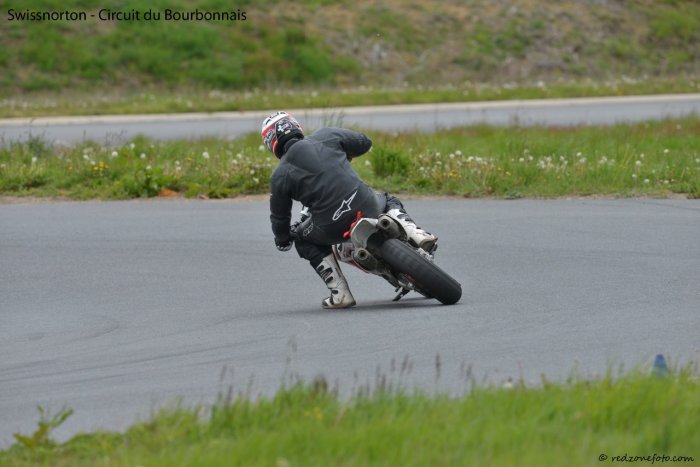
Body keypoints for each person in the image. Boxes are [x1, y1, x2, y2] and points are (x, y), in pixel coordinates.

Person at [262, 111, 437, 309]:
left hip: (331, 226)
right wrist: (345, 153)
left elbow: (279, 218)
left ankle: (340, 293)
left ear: (271, 142)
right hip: (366, 203)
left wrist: (283, 240)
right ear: (295, 126)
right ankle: (417, 234)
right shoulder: (325, 135)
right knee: (388, 200)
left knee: (302, 239)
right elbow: (364, 142)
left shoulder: (279, 176)